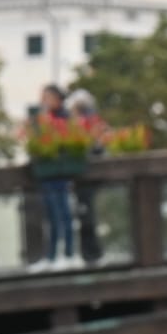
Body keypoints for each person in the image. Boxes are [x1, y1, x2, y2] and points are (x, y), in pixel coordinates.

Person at [31, 85, 77, 268]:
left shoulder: (65, 117)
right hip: (47, 175)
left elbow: (70, 142)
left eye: (47, 98)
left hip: (61, 174)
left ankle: (69, 254)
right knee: (51, 217)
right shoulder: (42, 118)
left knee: (64, 214)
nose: (44, 101)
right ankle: (51, 256)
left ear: (57, 99)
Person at [66, 88, 108, 264]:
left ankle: (91, 254)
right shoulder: (87, 124)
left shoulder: (87, 124)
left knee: (86, 215)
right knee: (85, 215)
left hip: (87, 179)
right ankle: (89, 253)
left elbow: (97, 149)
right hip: (83, 179)